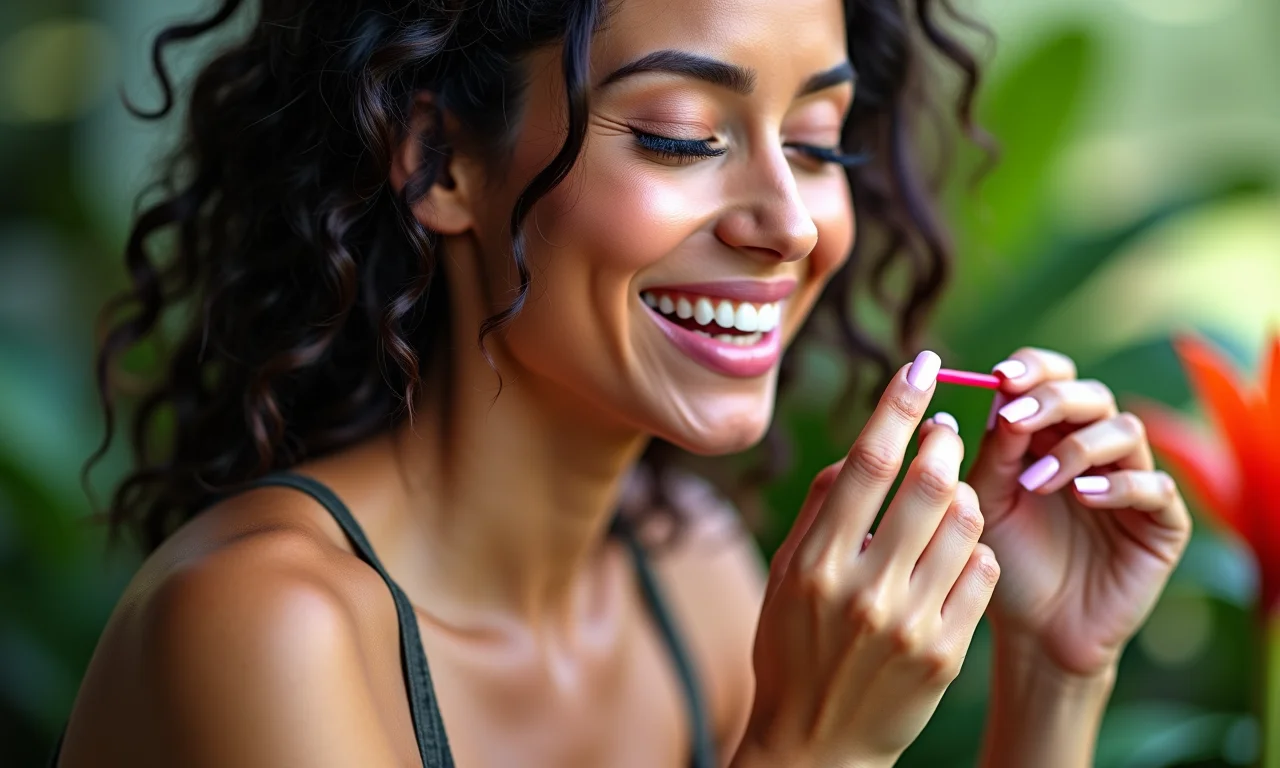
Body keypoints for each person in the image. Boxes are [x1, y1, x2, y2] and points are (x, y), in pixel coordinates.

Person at [53, 0, 1193, 765]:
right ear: (440, 163)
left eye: (814, 141)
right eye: (681, 135)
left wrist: (1052, 673)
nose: (788, 226)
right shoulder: (265, 629)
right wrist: (811, 748)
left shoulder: (687, 572)